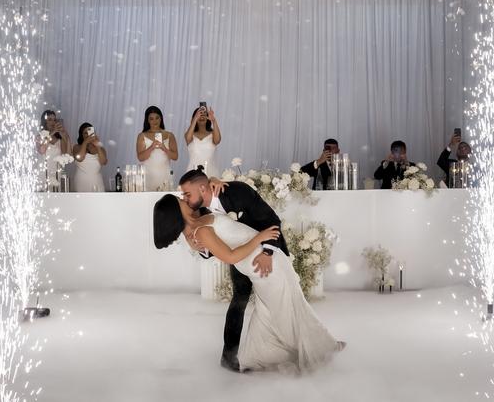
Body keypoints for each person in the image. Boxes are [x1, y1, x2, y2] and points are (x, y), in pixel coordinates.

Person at [155, 169, 344, 373]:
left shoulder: (205, 214)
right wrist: (259, 238)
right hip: (256, 265)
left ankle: (318, 346)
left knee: (287, 309)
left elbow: (206, 190)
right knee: (279, 310)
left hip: (268, 260)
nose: (184, 198)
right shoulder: (198, 231)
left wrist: (212, 180)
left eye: (185, 195)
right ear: (177, 211)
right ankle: (310, 348)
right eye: (181, 198)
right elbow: (229, 255)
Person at [136, 105, 178, 191]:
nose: (154, 121)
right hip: (148, 176)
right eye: (151, 119)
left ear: (161, 118)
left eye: (157, 118)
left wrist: (164, 148)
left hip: (165, 175)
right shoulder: (142, 136)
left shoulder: (169, 135)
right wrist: (152, 147)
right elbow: (140, 158)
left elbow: (175, 157)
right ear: (147, 120)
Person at [36, 109, 72, 190]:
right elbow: (42, 150)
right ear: (44, 122)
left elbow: (65, 155)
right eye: (50, 119)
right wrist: (53, 132)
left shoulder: (59, 138)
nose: (53, 122)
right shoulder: (40, 136)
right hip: (43, 173)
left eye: (54, 120)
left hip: (56, 173)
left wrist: (64, 134)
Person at [185, 104, 221, 177]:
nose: (202, 116)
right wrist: (195, 119)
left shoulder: (213, 133)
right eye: (199, 114)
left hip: (211, 173)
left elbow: (217, 141)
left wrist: (214, 120)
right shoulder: (190, 134)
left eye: (204, 114)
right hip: (192, 173)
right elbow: (188, 138)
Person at [72, 122, 108, 192]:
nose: (88, 134)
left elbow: (103, 162)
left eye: (90, 131)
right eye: (85, 133)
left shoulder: (100, 148)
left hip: (97, 182)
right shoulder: (77, 147)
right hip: (81, 183)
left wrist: (97, 146)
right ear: (81, 135)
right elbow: (80, 158)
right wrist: (85, 142)